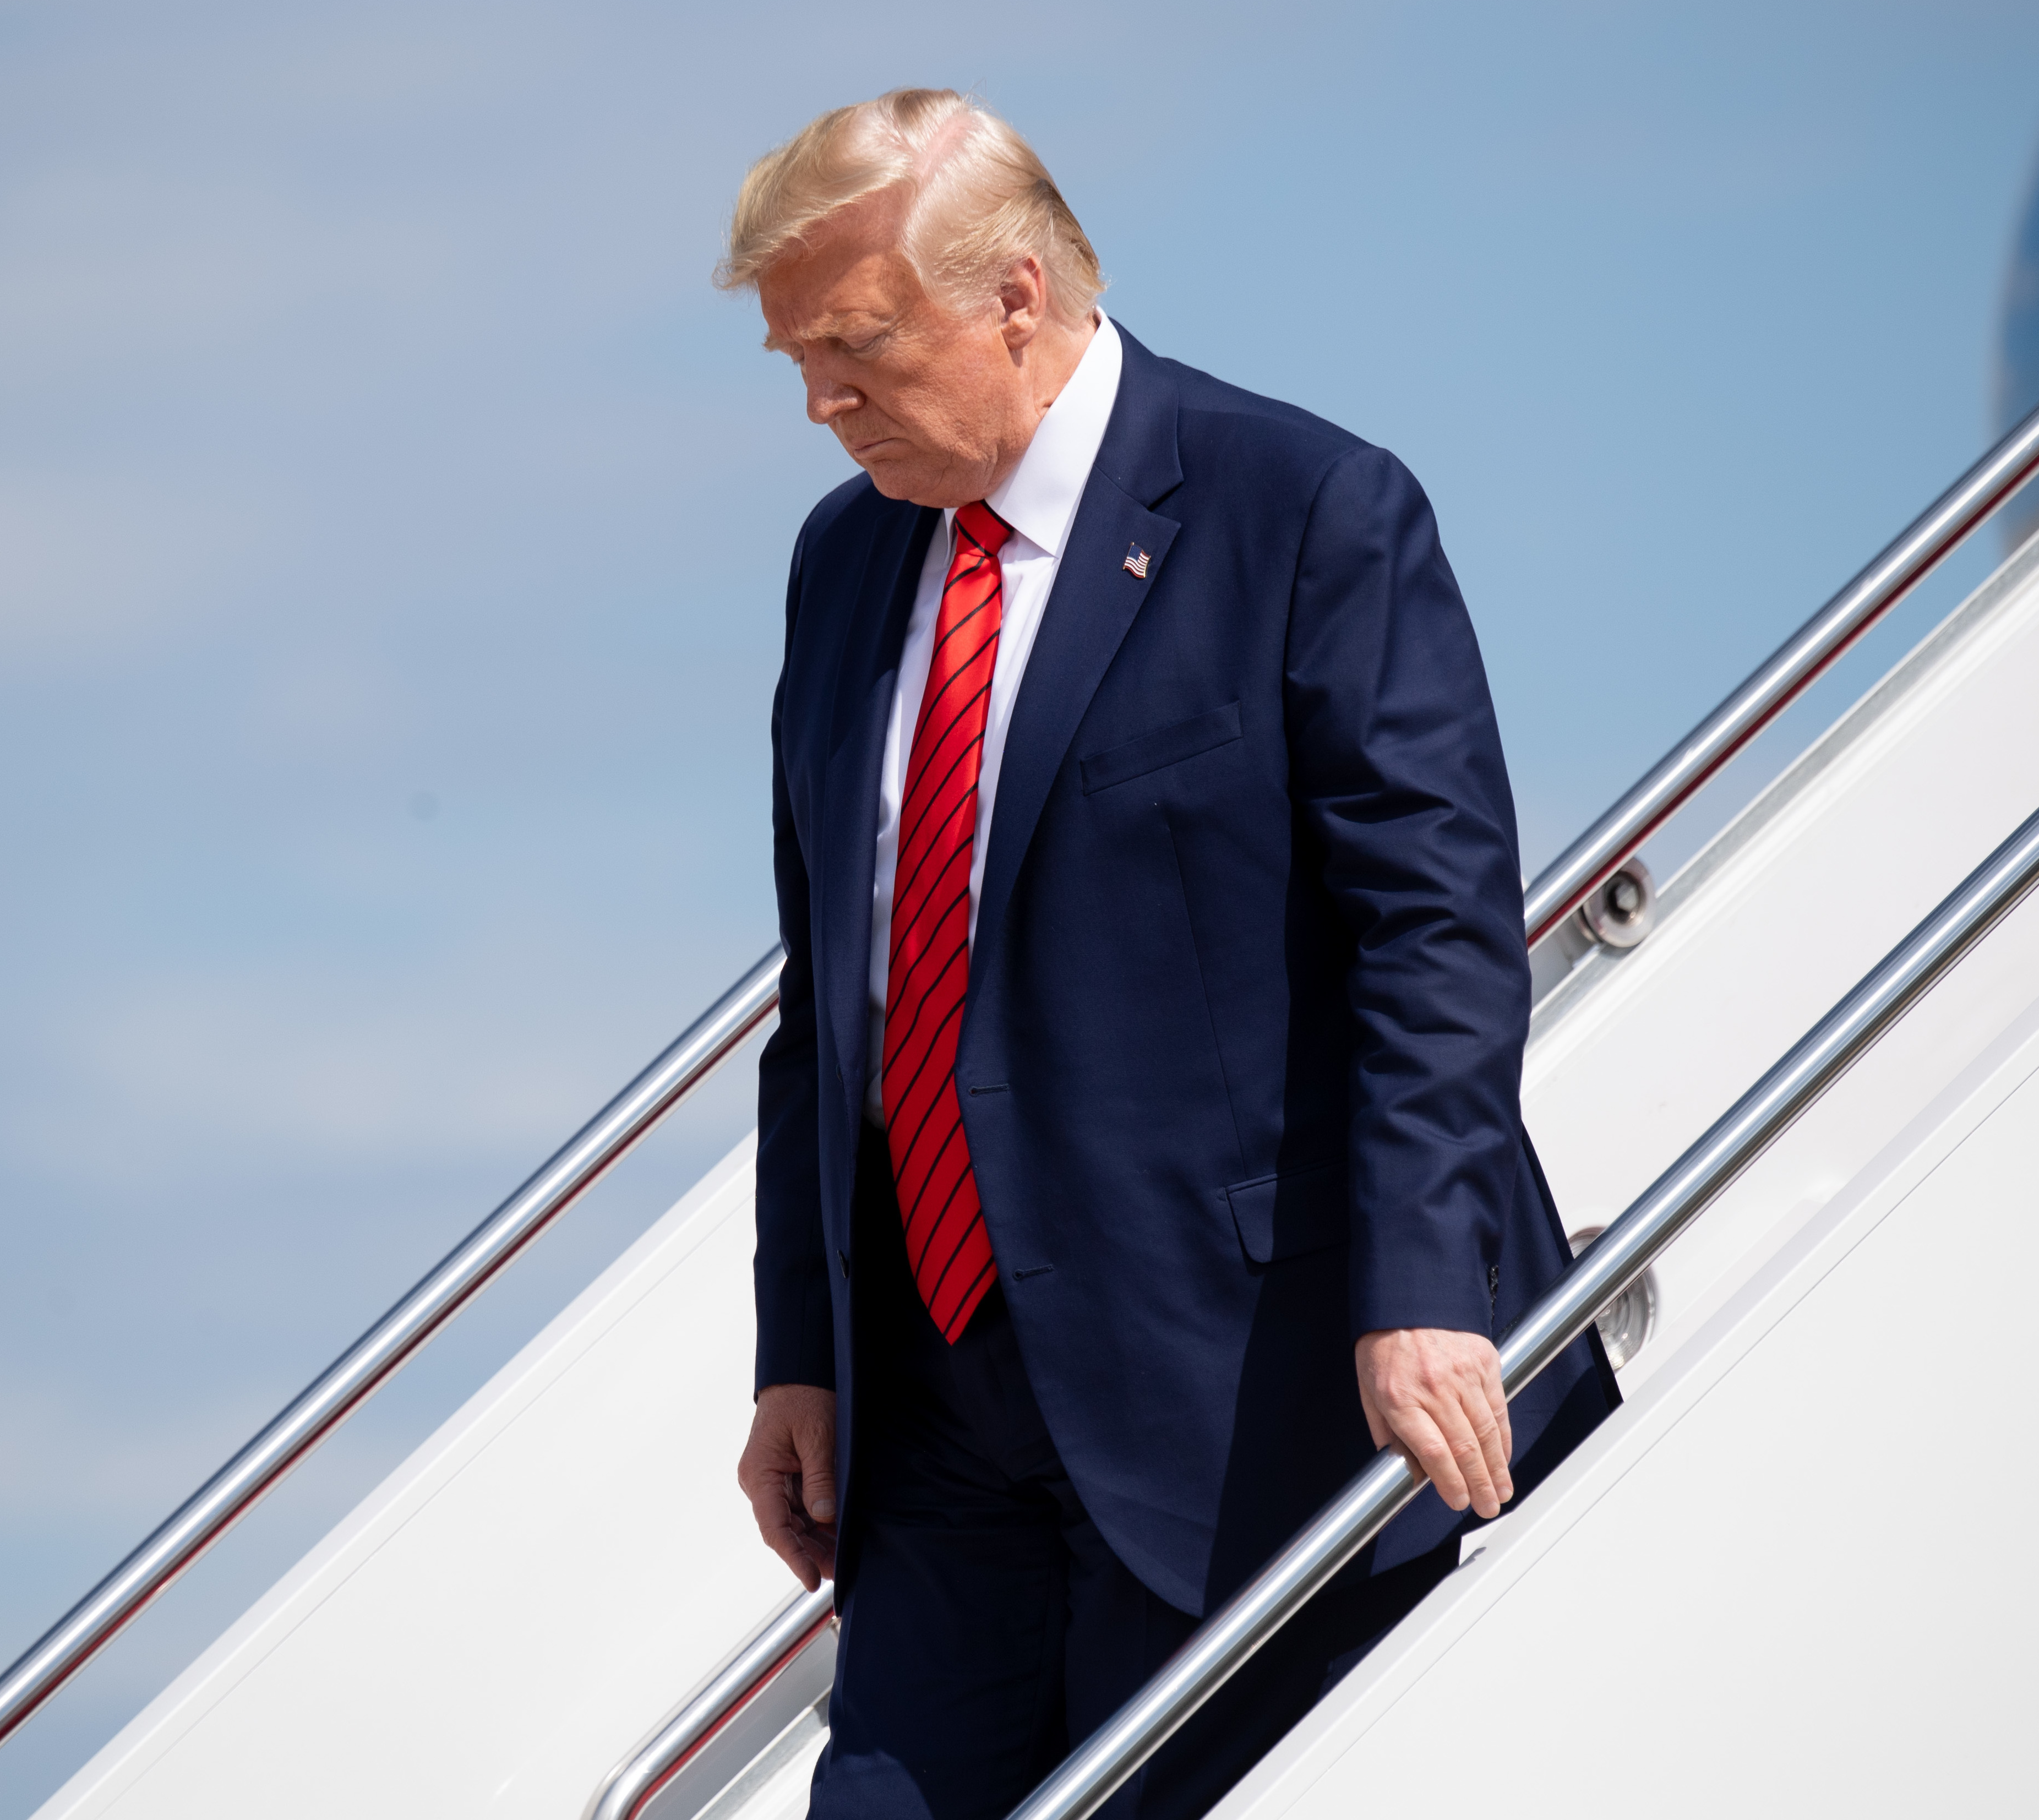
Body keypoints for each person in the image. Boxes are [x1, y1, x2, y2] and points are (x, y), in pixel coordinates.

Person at [722, 89, 1616, 1820]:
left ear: (1018, 297)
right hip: (938, 1410)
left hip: (1235, 1388)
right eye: (797, 366)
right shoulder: (842, 567)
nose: (824, 407)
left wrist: (1428, 1284)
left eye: (854, 350)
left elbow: (1431, 932)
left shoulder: (1307, 510)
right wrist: (803, 1342)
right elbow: (825, 1001)